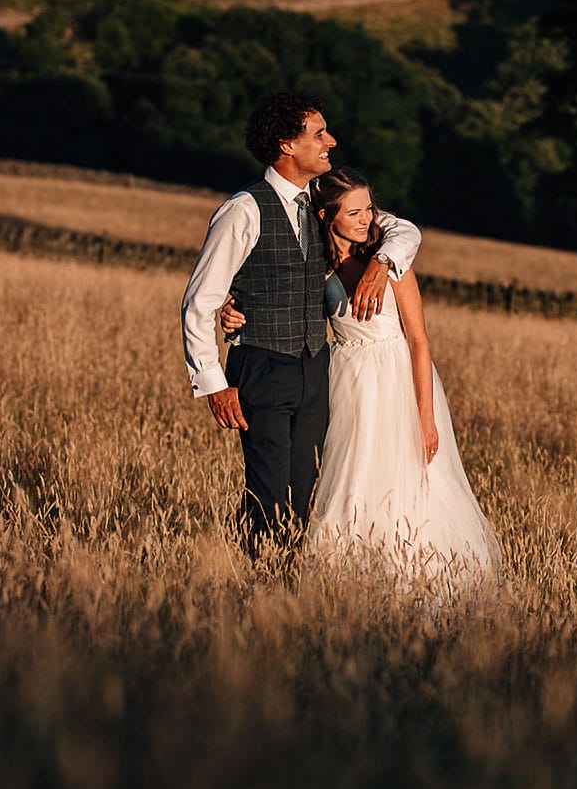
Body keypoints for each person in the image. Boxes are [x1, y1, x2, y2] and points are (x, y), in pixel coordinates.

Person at [221, 167, 501, 590]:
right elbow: (278, 302)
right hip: (345, 378)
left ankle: (413, 576)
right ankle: (344, 576)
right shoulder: (314, 267)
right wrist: (235, 313)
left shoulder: (390, 261)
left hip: (395, 380)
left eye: (369, 208)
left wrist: (426, 418)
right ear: (324, 216)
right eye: (354, 212)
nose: (367, 219)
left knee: (405, 479)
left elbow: (419, 343)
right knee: (346, 477)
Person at [180, 91, 421, 554]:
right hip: (263, 366)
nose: (331, 141)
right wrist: (212, 383)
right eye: (318, 134)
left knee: (308, 490)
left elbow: (404, 229)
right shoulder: (243, 210)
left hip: (316, 369)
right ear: (287, 145)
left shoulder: (322, 202)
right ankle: (263, 588)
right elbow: (199, 300)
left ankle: (293, 588)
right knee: (268, 491)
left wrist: (380, 264)